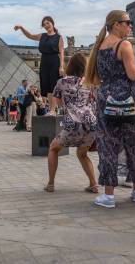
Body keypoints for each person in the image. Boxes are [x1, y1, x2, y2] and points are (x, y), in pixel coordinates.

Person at [85, 10, 135, 209]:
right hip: (129, 98)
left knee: (108, 147)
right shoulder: (124, 45)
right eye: (127, 23)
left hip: (106, 99)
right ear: (115, 24)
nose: (130, 26)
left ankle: (108, 196)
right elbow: (132, 74)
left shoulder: (100, 47)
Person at [44, 53, 98, 193]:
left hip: (72, 122)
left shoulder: (61, 82)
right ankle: (93, 184)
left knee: (53, 148)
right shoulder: (89, 82)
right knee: (82, 153)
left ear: (70, 66)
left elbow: (57, 101)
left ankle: (50, 184)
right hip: (91, 123)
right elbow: (94, 103)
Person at [14, 16, 65, 103]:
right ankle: (50, 109)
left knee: (54, 86)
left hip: (54, 62)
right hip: (44, 62)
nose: (46, 25)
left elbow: (61, 52)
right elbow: (30, 36)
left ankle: (53, 110)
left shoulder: (59, 37)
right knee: (45, 86)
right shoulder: (42, 36)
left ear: (52, 23)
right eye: (44, 24)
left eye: (48, 23)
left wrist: (61, 67)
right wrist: (21, 28)